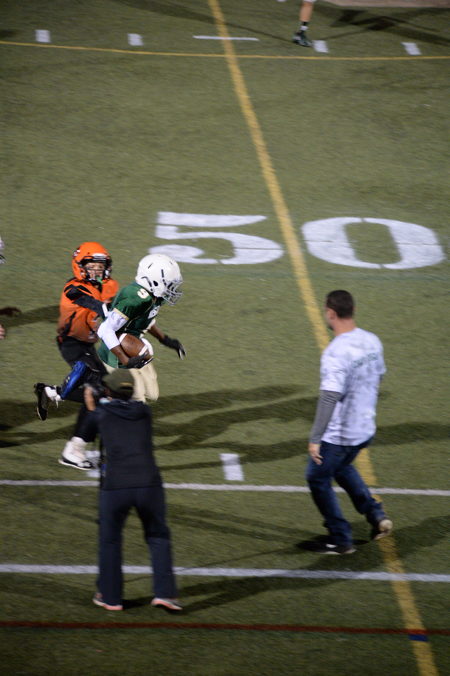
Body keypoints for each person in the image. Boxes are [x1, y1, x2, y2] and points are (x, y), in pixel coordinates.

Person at [84, 368, 181, 612]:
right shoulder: (145, 412)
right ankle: (165, 594)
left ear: (108, 391)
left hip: (116, 486)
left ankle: (110, 596)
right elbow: (126, 406)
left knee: (110, 540)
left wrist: (90, 400)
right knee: (158, 536)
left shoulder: (101, 414)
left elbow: (87, 429)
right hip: (149, 484)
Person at [305, 290, 392, 554]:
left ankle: (340, 538)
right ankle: (376, 514)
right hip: (365, 427)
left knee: (317, 478)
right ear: (352, 310)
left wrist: (315, 438)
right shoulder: (372, 340)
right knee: (342, 467)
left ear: (331, 313)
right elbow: (379, 376)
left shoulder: (335, 352)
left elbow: (330, 397)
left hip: (340, 434)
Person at [34, 242, 119, 470]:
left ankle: (74, 445)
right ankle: (75, 447)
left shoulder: (110, 285)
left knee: (104, 393)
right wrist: (105, 309)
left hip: (89, 345)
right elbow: (84, 299)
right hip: (71, 343)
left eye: (100, 266)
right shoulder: (72, 286)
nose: (97, 270)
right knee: (100, 392)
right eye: (91, 266)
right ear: (79, 266)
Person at [96, 253, 186, 404]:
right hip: (116, 354)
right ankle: (100, 396)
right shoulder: (135, 299)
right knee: (136, 401)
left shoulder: (155, 297)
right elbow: (105, 330)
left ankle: (103, 392)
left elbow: (146, 320)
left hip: (133, 347)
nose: (172, 288)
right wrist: (125, 360)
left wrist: (165, 340)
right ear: (155, 282)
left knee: (152, 395)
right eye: (169, 284)